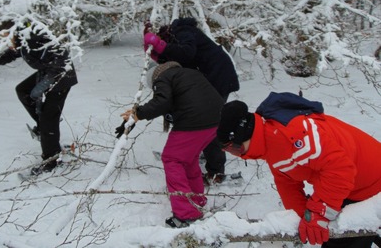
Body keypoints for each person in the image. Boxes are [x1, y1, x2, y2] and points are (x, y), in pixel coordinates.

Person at [216, 92, 381, 247]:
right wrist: (302, 215)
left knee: (344, 238)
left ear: (244, 135)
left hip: (372, 184)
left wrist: (319, 213)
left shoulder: (293, 135)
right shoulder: (270, 139)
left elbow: (340, 169)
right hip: (351, 187)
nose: (236, 155)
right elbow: (286, 182)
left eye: (234, 149)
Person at [118, 61, 225, 228]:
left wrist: (138, 113)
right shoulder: (189, 71)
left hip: (194, 121)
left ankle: (185, 214)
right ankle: (196, 201)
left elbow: (162, 102)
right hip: (217, 119)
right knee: (188, 159)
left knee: (172, 159)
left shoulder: (162, 78)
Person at [143, 17, 239, 184]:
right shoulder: (180, 37)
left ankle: (216, 171)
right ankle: (199, 150)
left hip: (218, 78)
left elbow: (186, 53)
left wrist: (161, 47)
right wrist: (157, 54)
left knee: (209, 120)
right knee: (203, 119)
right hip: (211, 78)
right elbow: (176, 62)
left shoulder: (184, 31)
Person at [0, 20, 78, 175]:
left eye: (6, 37)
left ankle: (51, 161)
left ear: (14, 32)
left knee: (48, 118)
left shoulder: (33, 39)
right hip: (48, 73)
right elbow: (15, 52)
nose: (4, 42)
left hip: (61, 76)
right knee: (23, 90)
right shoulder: (22, 41)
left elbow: (60, 57)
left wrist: (44, 84)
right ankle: (44, 128)